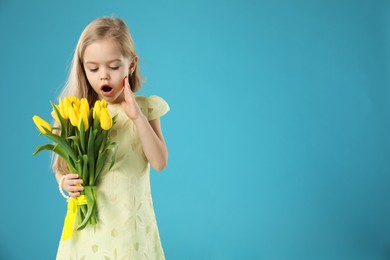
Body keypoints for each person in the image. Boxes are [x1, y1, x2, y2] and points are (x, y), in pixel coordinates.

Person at [53, 16, 169, 259]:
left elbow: (159, 162)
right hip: (89, 229)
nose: (103, 76)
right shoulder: (77, 113)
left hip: (131, 228)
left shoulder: (145, 108)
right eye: (93, 68)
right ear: (82, 67)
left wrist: (137, 117)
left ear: (131, 65)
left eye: (113, 67)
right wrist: (65, 183)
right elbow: (61, 168)